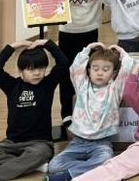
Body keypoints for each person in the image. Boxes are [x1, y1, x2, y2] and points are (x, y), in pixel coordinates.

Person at [0, 39, 69, 181]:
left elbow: (63, 63)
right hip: (12, 143)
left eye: (41, 68)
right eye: (31, 69)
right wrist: (12, 47)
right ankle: (32, 166)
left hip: (40, 144)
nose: (37, 73)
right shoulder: (12, 86)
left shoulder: (47, 85)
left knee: (39, 154)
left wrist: (47, 43)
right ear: (21, 70)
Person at [47, 43, 133, 181]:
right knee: (53, 166)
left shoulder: (115, 89)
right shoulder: (82, 85)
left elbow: (127, 68)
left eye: (106, 69)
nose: (100, 73)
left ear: (113, 73)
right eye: (95, 68)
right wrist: (87, 49)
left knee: (104, 159)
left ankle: (68, 175)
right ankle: (88, 171)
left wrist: (121, 51)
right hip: (78, 142)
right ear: (89, 70)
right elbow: (75, 67)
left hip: (102, 144)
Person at [51, 0, 107, 135]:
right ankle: (67, 113)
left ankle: (86, 110)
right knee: (65, 73)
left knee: (88, 73)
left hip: (89, 34)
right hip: (67, 34)